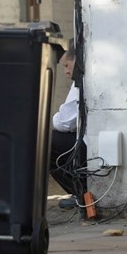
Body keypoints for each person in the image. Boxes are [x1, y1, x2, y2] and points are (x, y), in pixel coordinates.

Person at [50, 40, 87, 210]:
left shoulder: (81, 80)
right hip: (89, 139)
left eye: (67, 65)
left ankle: (81, 193)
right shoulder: (80, 79)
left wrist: (55, 118)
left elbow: (64, 122)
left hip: (89, 143)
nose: (66, 71)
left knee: (46, 143)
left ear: (76, 59)